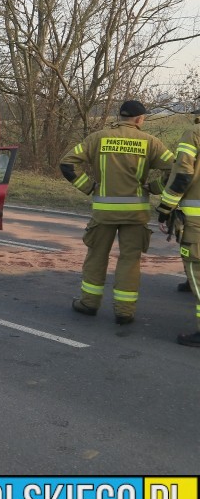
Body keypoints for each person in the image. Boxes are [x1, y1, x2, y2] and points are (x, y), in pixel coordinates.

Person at [59, 100, 174, 324]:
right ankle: (124, 312)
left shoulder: (98, 138)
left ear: (120, 116)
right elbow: (176, 168)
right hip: (135, 213)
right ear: (140, 119)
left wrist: (89, 187)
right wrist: (155, 188)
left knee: (96, 257)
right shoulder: (150, 142)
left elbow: (67, 164)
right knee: (130, 260)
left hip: (103, 214)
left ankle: (89, 304)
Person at [156, 108, 200, 346]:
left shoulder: (194, 133)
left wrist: (165, 208)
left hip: (197, 219)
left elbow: (182, 175)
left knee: (198, 270)